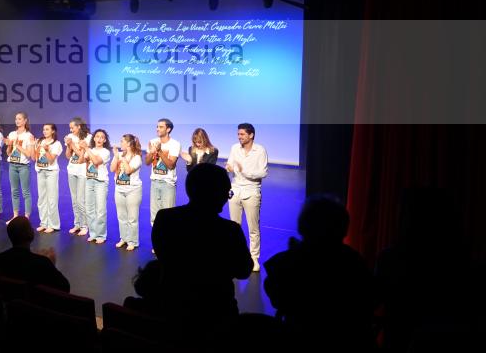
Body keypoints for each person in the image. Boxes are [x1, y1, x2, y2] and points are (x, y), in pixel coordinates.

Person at [151, 164, 253, 344]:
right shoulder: (229, 231)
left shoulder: (165, 219)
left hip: (171, 308)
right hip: (217, 316)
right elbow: (243, 270)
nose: (226, 197)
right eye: (227, 193)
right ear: (217, 194)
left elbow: (162, 254)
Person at [264, 195, 377, 352]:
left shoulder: (285, 262)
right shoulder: (354, 261)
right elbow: (369, 301)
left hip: (298, 340)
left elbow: (277, 300)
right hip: (348, 342)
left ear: (303, 226)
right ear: (343, 228)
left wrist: (295, 254)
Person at [225, 122, 268, 272]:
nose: (239, 136)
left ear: (251, 135)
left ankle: (253, 258)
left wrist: (244, 171)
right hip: (235, 190)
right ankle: (235, 255)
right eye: (238, 134)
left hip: (251, 191)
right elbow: (230, 164)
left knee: (253, 228)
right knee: (234, 227)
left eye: (242, 134)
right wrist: (229, 167)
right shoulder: (234, 148)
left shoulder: (260, 150)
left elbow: (263, 172)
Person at [0, 216, 70, 292]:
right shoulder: (42, 263)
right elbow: (65, 287)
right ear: (30, 233)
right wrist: (52, 264)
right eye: (30, 227)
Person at [145, 118, 181, 227]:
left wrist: (159, 151)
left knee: (168, 216)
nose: (157, 129)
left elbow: (171, 165)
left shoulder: (175, 144)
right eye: (157, 126)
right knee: (154, 217)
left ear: (168, 129)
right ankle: (156, 237)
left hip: (168, 184)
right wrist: (151, 152)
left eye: (161, 127)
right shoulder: (152, 141)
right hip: (154, 182)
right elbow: (147, 162)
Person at [111, 134, 143, 251]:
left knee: (132, 218)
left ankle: (133, 241)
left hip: (132, 190)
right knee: (121, 216)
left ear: (129, 144)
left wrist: (122, 158)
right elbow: (112, 169)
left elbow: (128, 170)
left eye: (122, 141)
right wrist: (116, 157)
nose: (120, 143)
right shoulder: (119, 154)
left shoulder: (137, 157)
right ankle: (124, 238)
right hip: (119, 189)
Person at [5, 112, 35, 223]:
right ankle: (15, 216)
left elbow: (29, 154)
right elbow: (9, 153)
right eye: (16, 119)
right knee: (14, 191)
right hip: (12, 165)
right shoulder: (12, 134)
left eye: (19, 119)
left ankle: (26, 217)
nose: (17, 121)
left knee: (26, 192)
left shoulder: (28, 135)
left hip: (23, 166)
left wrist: (17, 145)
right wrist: (9, 145)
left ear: (25, 120)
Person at [34, 123, 63, 233]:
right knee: (41, 198)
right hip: (40, 171)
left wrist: (46, 150)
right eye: (43, 129)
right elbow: (34, 158)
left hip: (51, 172)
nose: (44, 131)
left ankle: (53, 224)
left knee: (52, 199)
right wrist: (33, 146)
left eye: (47, 129)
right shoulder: (40, 142)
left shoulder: (57, 144)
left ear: (53, 131)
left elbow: (51, 160)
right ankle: (44, 223)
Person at [64, 117, 91, 236]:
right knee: (74, 200)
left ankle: (85, 225)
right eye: (70, 128)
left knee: (81, 200)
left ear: (79, 126)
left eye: (72, 128)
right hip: (72, 170)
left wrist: (72, 145)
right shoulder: (70, 137)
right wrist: (68, 145)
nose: (71, 130)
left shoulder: (88, 138)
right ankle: (77, 224)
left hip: (82, 171)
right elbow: (68, 156)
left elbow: (83, 156)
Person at [84, 129, 111, 244]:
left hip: (100, 181)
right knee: (89, 209)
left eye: (102, 137)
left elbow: (95, 161)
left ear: (104, 140)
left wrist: (86, 149)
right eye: (97, 136)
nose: (99, 139)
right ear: (94, 138)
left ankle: (100, 235)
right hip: (89, 180)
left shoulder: (106, 152)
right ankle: (93, 233)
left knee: (100, 210)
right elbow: (83, 161)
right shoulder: (90, 150)